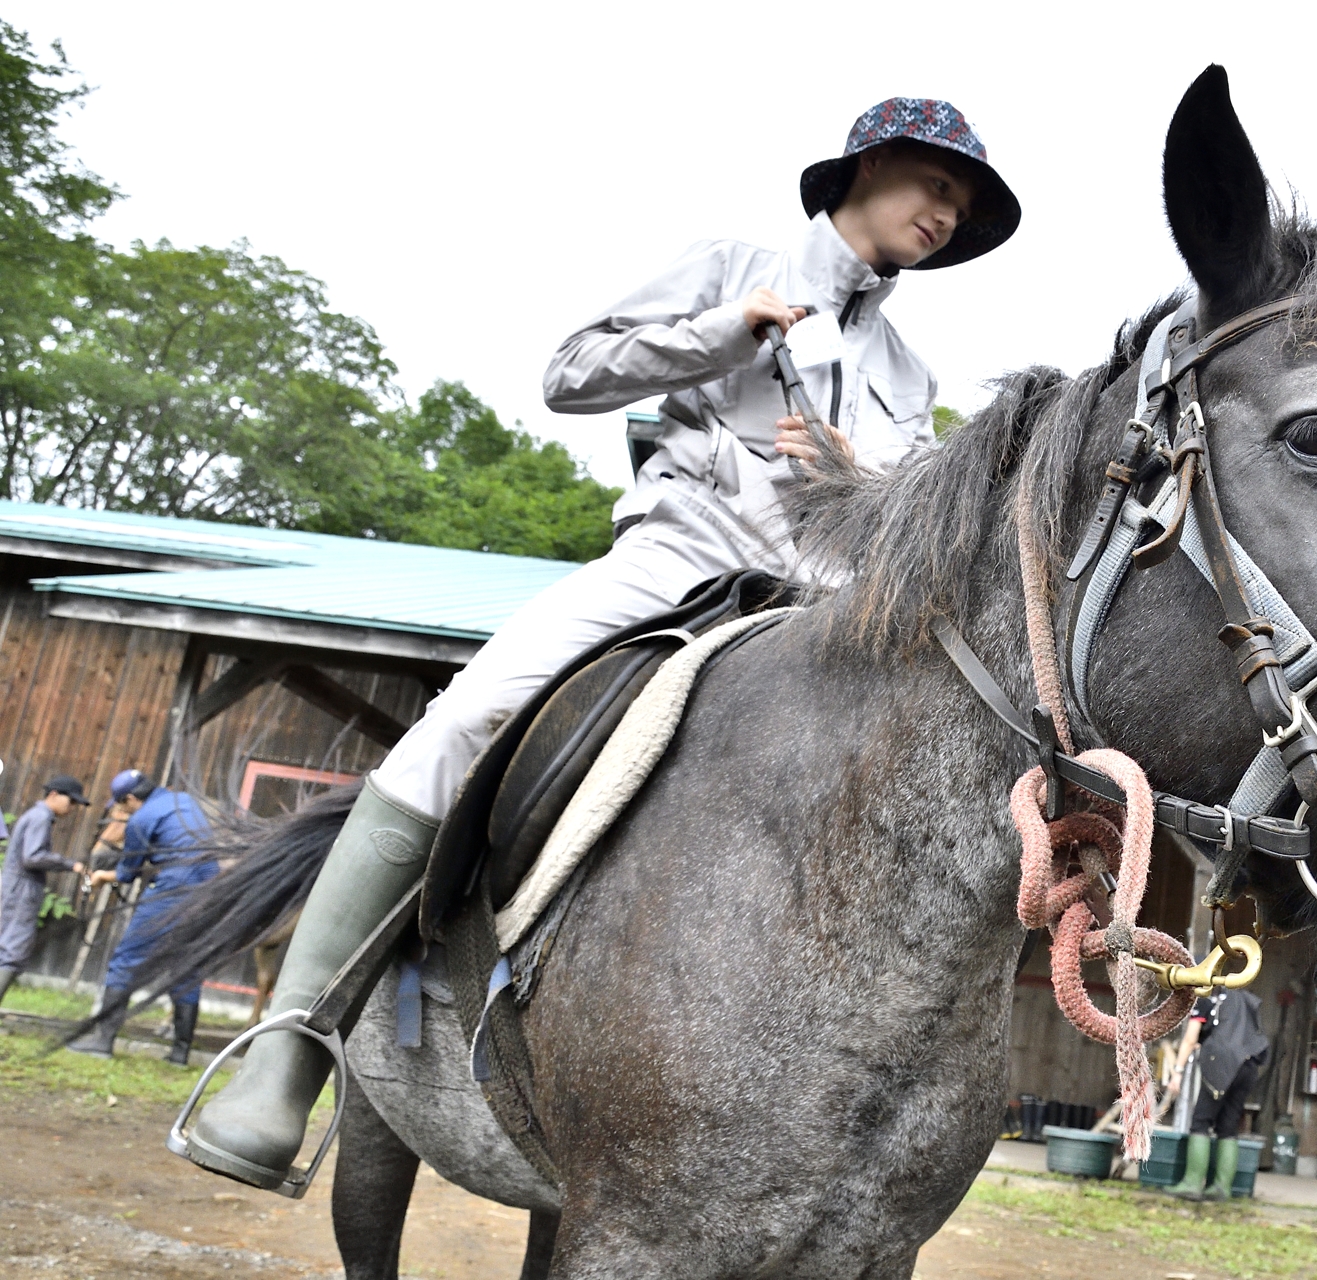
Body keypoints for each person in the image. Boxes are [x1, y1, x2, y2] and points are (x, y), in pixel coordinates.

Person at [180, 97, 1021, 1192]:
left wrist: (847, 476)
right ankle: (283, 1048)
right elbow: (569, 374)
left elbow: (897, 525)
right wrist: (728, 333)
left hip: (813, 614)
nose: (947, 215)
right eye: (937, 186)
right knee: (468, 714)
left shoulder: (906, 369)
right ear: (866, 172)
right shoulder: (732, 265)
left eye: (962, 204)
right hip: (673, 567)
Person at [66, 770, 216, 1064]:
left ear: (132, 799)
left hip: (172, 889)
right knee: (186, 969)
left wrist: (101, 877)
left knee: (126, 961)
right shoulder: (183, 800)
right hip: (210, 890)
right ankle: (180, 1053)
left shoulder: (141, 819)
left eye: (122, 805)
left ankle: (102, 1041)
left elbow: (128, 872)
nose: (123, 811)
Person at [1165, 987, 1269, 1200]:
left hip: (1220, 1063)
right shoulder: (1243, 998)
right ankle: (1222, 1188)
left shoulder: (1204, 999)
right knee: (1228, 1125)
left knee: (1201, 1121)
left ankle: (1192, 1184)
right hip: (1248, 1066)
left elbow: (1190, 1039)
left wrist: (1177, 1071)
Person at [0, 776, 91, 1005]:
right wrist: (72, 864)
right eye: (70, 801)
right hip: (22, 888)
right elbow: (33, 857)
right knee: (13, 951)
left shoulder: (35, 815)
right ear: (53, 795)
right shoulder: (41, 817)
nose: (72, 808)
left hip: (13, 885)